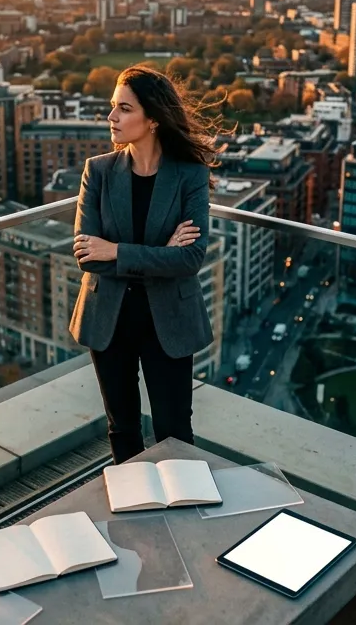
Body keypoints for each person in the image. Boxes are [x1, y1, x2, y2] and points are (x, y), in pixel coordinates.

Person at [69, 66, 227, 464]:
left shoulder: (189, 175)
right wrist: (160, 252)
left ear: (153, 118)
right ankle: (133, 499)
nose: (112, 117)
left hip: (168, 321)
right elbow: (87, 255)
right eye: (113, 107)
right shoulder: (98, 171)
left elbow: (190, 258)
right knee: (122, 428)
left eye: (124, 109)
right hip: (109, 318)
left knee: (174, 431)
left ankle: (184, 499)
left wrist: (116, 251)